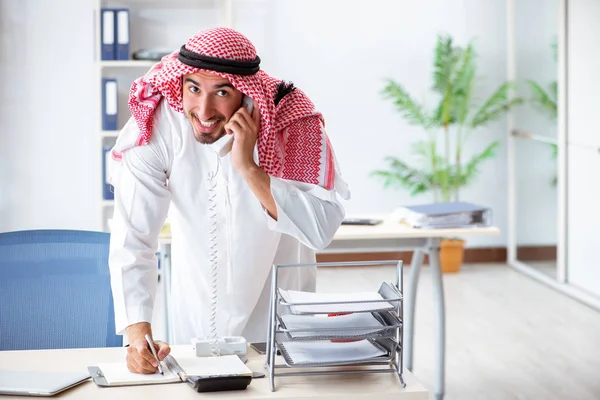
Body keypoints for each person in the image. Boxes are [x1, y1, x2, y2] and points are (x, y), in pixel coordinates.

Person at [108, 27, 350, 374]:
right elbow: (133, 238)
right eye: (193, 88)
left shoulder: (288, 123)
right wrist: (137, 334)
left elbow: (320, 230)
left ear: (246, 94)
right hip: (193, 333)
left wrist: (249, 168)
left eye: (221, 92)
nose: (203, 109)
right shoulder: (162, 125)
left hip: (279, 334)